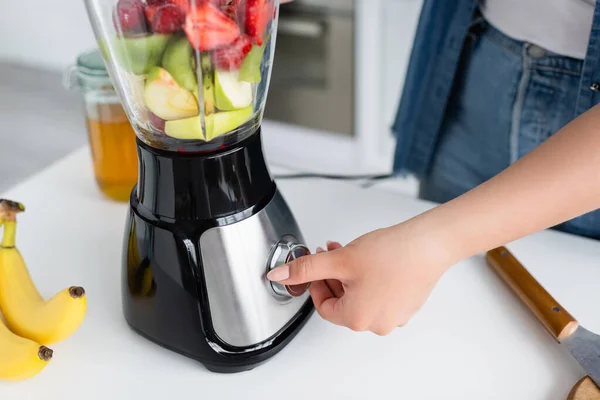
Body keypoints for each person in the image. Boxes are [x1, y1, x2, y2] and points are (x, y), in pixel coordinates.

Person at [268, 0, 600, 336]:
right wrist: (431, 243)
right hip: (474, 49)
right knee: (458, 310)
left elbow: (427, 245)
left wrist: (433, 244)